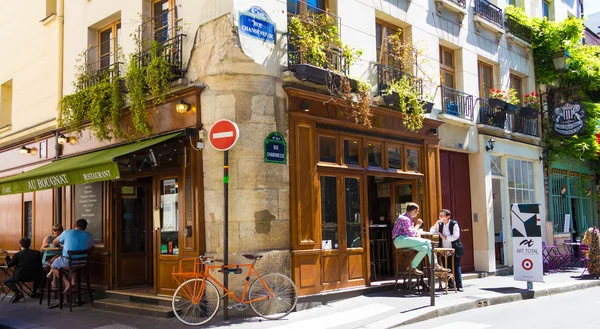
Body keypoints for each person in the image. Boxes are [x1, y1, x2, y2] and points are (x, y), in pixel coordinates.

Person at [392, 202, 449, 275]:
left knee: (425, 248)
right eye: (417, 211)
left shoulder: (407, 218)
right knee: (429, 242)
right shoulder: (405, 219)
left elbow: (412, 232)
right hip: (400, 240)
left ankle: (412, 267)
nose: (417, 213)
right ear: (413, 210)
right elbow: (412, 234)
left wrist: (416, 232)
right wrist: (418, 225)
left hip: (403, 240)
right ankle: (435, 265)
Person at [49, 219, 94, 295]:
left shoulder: (67, 232)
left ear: (74, 225)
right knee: (73, 266)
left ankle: (67, 283)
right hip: (83, 263)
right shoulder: (89, 235)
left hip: (68, 261)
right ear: (85, 227)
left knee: (54, 265)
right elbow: (91, 248)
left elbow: (54, 242)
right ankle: (73, 282)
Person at [430, 209, 465, 292]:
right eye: (440, 216)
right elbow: (432, 231)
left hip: (454, 248)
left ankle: (459, 285)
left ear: (448, 217)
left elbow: (456, 236)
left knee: (455, 267)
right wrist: (437, 222)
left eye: (443, 216)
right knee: (446, 267)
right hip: (444, 249)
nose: (441, 217)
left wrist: (445, 237)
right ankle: (450, 285)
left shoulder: (453, 224)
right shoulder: (440, 224)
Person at [1, 238, 43, 302]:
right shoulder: (37, 253)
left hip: (21, 277)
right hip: (35, 276)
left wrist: (6, 255)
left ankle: (18, 293)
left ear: (20, 245)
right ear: (29, 244)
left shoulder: (18, 255)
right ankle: (34, 292)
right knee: (36, 273)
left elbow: (9, 265)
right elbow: (40, 264)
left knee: (6, 281)